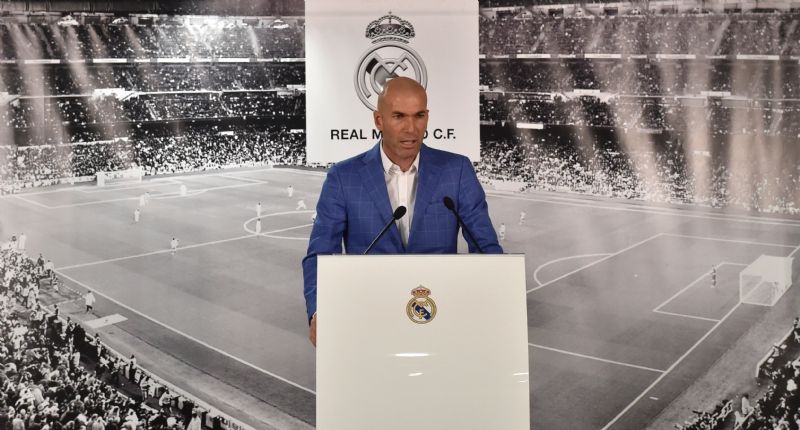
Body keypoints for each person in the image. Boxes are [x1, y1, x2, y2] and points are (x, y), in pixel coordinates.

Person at [302, 77, 502, 347]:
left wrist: (500, 298)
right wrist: (319, 310)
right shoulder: (343, 177)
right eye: (399, 116)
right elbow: (320, 253)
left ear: (427, 117)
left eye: (419, 116)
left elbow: (486, 247)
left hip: (439, 318)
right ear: (379, 120)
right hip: (369, 319)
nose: (411, 128)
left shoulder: (457, 171)